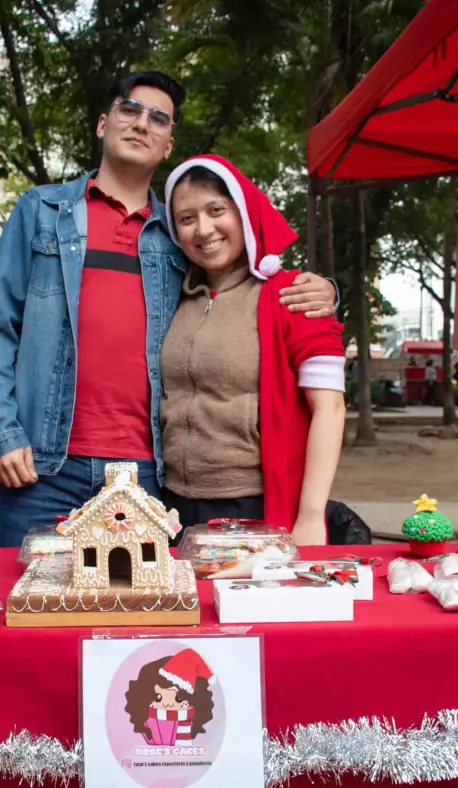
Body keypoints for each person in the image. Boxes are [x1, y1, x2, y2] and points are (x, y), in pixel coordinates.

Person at [0, 70, 337, 546]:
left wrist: (325, 289)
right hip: (43, 469)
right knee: (39, 611)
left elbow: (240, 281)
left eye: (158, 118)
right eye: (130, 109)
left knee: (137, 611)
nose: (142, 123)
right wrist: (2, 432)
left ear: (168, 145)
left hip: (148, 476)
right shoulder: (41, 211)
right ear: (103, 124)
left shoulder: (178, 232)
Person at [158, 156, 345, 544]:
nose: (204, 229)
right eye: (187, 218)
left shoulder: (294, 295)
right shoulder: (171, 300)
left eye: (216, 210)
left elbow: (330, 408)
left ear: (242, 211)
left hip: (252, 507)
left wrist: (311, 516)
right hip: (171, 506)